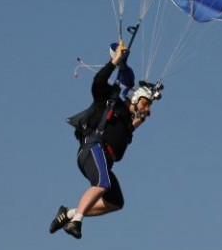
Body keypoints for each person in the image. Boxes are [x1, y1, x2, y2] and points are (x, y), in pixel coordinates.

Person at [49, 43, 155, 239]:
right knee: (102, 184)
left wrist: (149, 102)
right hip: (93, 149)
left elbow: (133, 125)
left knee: (115, 202)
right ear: (134, 98)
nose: (146, 109)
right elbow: (98, 81)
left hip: (104, 159)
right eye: (144, 103)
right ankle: (76, 222)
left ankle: (69, 214)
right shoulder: (109, 102)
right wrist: (115, 62)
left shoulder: (125, 124)